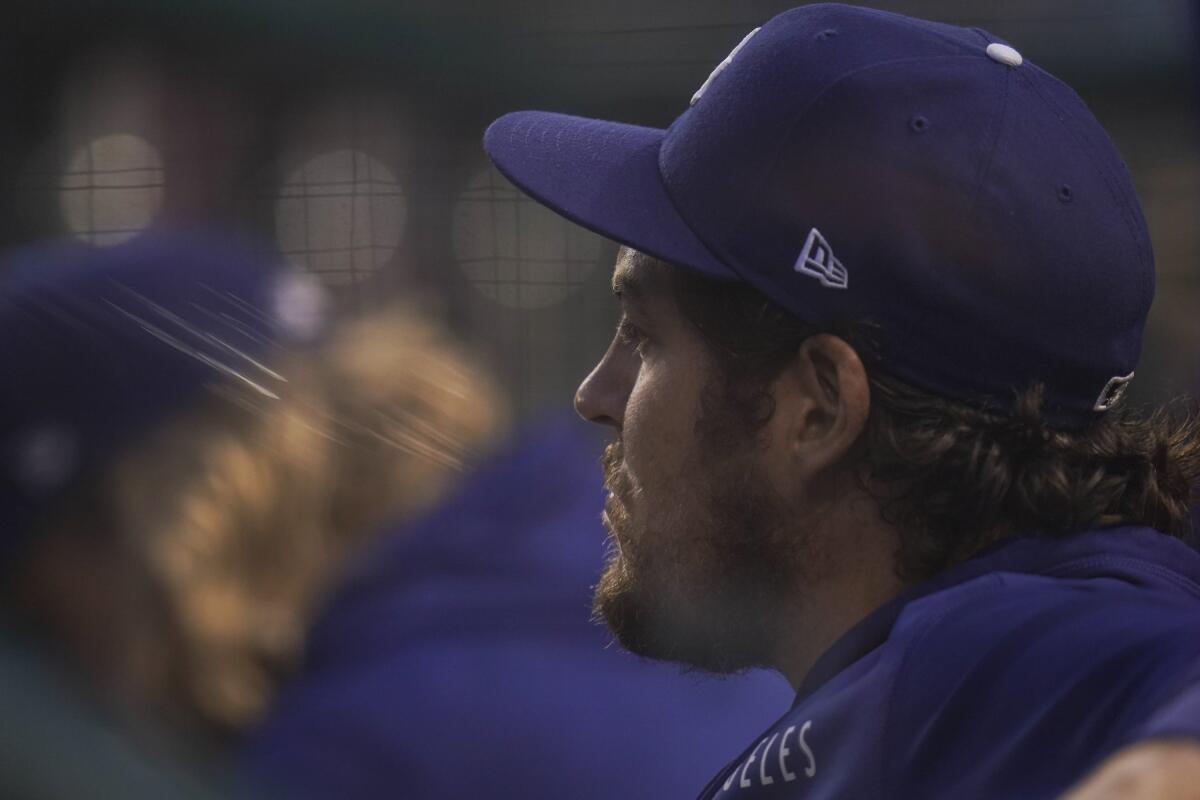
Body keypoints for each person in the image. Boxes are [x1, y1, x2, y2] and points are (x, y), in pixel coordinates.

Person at [483, 4, 1200, 799]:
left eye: (644, 337)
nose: (595, 396)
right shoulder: (958, 679)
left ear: (817, 408)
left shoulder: (1001, 656)